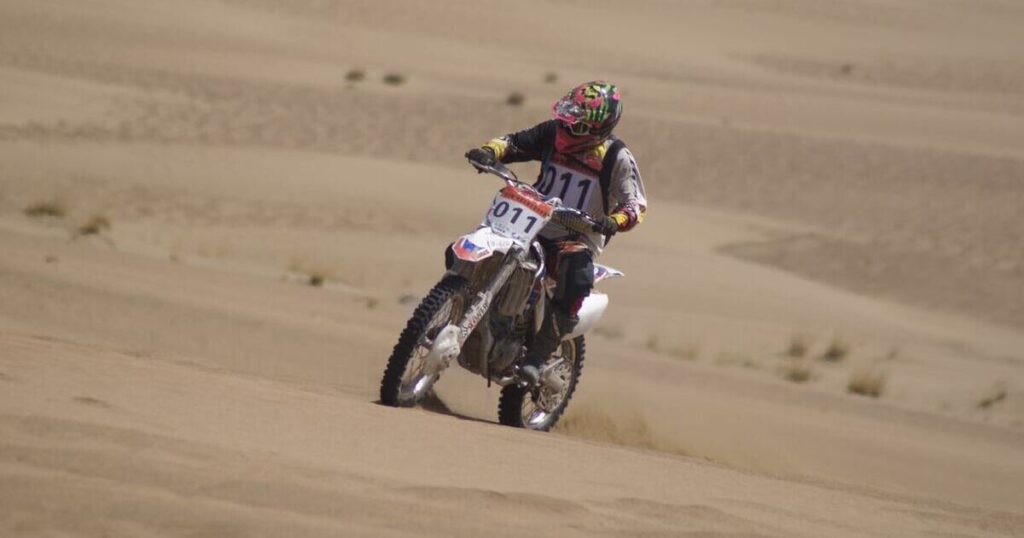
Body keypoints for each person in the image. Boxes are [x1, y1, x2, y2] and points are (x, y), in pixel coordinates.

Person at [464, 81, 647, 387]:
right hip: (531, 219)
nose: (566, 128)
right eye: (566, 119)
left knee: (576, 279)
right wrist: (488, 151)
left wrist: (613, 221)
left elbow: (635, 205)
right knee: (482, 244)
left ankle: (536, 358)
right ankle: (458, 303)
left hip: (576, 234)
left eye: (576, 125)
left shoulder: (616, 157)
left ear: (599, 128)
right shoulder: (553, 132)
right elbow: (514, 142)